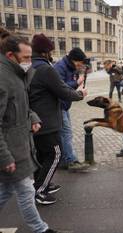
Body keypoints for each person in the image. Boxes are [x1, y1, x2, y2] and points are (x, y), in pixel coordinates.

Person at [0, 35, 57, 233]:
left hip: (19, 145)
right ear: (10, 55)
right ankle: (40, 229)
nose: (29, 62)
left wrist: (32, 117)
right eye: (25, 57)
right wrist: (5, 156)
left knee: (7, 190)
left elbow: (20, 107)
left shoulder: (18, 75)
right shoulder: (3, 80)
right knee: (25, 189)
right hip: (10, 149)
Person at [29, 34, 87, 204]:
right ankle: (39, 190)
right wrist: (79, 93)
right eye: (50, 50)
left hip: (38, 118)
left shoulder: (34, 65)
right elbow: (61, 90)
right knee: (55, 153)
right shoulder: (45, 68)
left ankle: (42, 184)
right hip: (46, 119)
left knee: (41, 154)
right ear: (45, 51)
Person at [54, 48, 90, 171]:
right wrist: (77, 84)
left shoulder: (70, 67)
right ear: (74, 60)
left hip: (64, 105)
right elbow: (59, 87)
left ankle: (64, 160)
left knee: (64, 134)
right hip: (58, 106)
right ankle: (71, 161)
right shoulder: (60, 67)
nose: (80, 65)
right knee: (66, 134)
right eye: (80, 63)